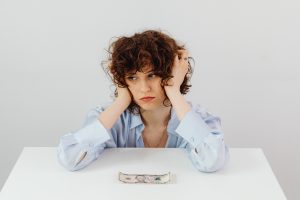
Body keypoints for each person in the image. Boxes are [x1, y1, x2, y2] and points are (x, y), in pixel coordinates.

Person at [57, 29, 229, 172]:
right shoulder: (109, 118)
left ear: (172, 74)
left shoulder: (198, 119)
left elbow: (212, 161)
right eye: (132, 78)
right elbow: (70, 159)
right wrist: (120, 101)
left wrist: (174, 91)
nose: (144, 88)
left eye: (152, 75)